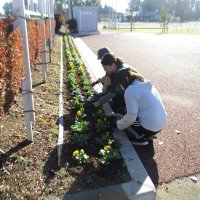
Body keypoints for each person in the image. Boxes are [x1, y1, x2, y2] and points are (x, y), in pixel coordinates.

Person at [111, 67, 167, 145]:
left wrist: (118, 124)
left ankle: (140, 138)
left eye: (120, 82)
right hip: (160, 125)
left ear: (126, 79)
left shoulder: (131, 90)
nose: (120, 85)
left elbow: (131, 117)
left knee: (120, 117)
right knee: (122, 111)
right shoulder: (144, 83)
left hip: (149, 127)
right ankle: (147, 134)